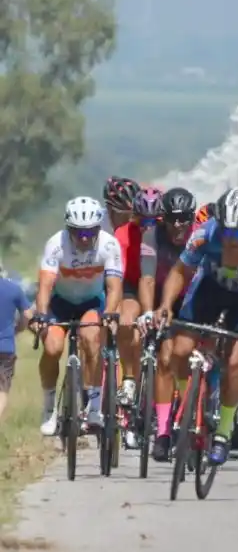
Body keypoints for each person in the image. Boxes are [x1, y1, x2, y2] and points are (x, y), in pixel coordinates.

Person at [158, 187, 238, 465]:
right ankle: (189, 402)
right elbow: (180, 271)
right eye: (226, 232)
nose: (230, 240)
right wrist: (166, 305)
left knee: (236, 361)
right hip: (209, 291)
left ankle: (224, 432)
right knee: (179, 350)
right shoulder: (204, 235)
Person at [32, 197, 124, 435]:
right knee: (52, 348)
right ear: (68, 228)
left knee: (91, 337)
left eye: (90, 232)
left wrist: (110, 312)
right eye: (78, 232)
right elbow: (45, 286)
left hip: (92, 302)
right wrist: (40, 314)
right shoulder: (56, 244)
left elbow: (114, 287)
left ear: (98, 228)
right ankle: (49, 408)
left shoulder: (109, 244)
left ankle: (94, 406)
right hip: (60, 302)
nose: (84, 238)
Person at [147, 187, 198, 461]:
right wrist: (149, 311)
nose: (178, 225)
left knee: (193, 354)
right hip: (164, 298)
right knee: (166, 359)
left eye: (184, 219)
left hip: (196, 299)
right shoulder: (152, 237)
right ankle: (163, 431)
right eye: (172, 219)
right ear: (162, 219)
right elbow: (146, 278)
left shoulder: (200, 237)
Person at [113, 187, 163, 422]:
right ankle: (129, 379)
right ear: (134, 216)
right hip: (132, 284)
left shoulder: (166, 235)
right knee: (127, 324)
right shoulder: (122, 234)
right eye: (143, 220)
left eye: (154, 221)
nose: (148, 226)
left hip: (160, 286)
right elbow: (118, 276)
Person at [0, 274, 31, 422]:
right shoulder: (14, 289)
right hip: (5, 347)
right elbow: (27, 315)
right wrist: (18, 329)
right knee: (2, 388)